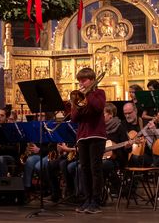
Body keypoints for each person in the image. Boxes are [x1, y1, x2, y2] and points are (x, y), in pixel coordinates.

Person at [70, 67, 106, 214]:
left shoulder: (99, 93)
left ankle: (96, 201)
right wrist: (77, 103)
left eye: (84, 80)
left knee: (95, 169)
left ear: (92, 80)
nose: (81, 83)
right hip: (82, 137)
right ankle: (87, 199)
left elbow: (98, 108)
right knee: (84, 169)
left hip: (97, 135)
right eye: (79, 81)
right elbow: (74, 118)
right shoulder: (80, 97)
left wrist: (89, 92)